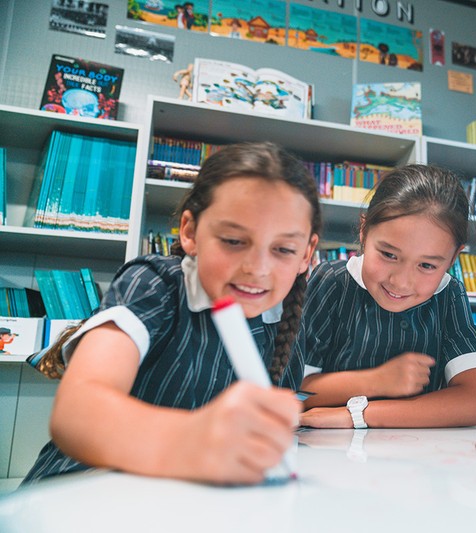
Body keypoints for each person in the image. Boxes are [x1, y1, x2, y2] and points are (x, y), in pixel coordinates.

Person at [23, 142, 321, 485]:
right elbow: (76, 413)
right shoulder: (155, 284)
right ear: (191, 232)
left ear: (306, 254)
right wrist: (193, 440)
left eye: (283, 249)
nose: (257, 268)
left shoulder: (287, 319)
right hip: (80, 492)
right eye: (233, 241)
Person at [299, 164, 476, 429]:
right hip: (330, 452)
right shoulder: (332, 282)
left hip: (415, 459)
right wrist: (378, 380)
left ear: (452, 259)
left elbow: (474, 401)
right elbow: (294, 389)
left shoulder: (449, 293)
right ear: (364, 231)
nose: (400, 282)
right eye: (388, 255)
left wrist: (358, 415)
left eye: (427, 265)